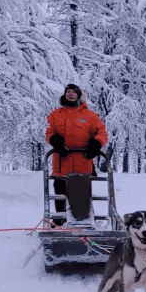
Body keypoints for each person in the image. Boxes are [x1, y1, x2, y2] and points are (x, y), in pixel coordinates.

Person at [45, 84, 108, 223]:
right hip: (61, 164)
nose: (70, 94)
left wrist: (96, 143)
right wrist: (55, 141)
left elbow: (102, 133)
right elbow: (49, 133)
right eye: (68, 91)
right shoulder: (56, 115)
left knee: (82, 200)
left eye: (74, 92)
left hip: (83, 165)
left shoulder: (90, 116)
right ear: (64, 94)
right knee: (60, 196)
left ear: (79, 95)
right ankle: (59, 223)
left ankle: (84, 224)